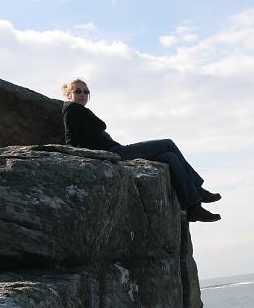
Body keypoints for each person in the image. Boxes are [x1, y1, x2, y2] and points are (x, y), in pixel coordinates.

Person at [62, 78, 221, 222]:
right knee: (168, 143)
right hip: (116, 153)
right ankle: (197, 189)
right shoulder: (71, 109)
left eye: (86, 91)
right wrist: (85, 157)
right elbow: (71, 139)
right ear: (69, 95)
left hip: (115, 151)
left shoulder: (78, 110)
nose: (83, 94)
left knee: (170, 157)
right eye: (78, 91)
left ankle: (193, 208)